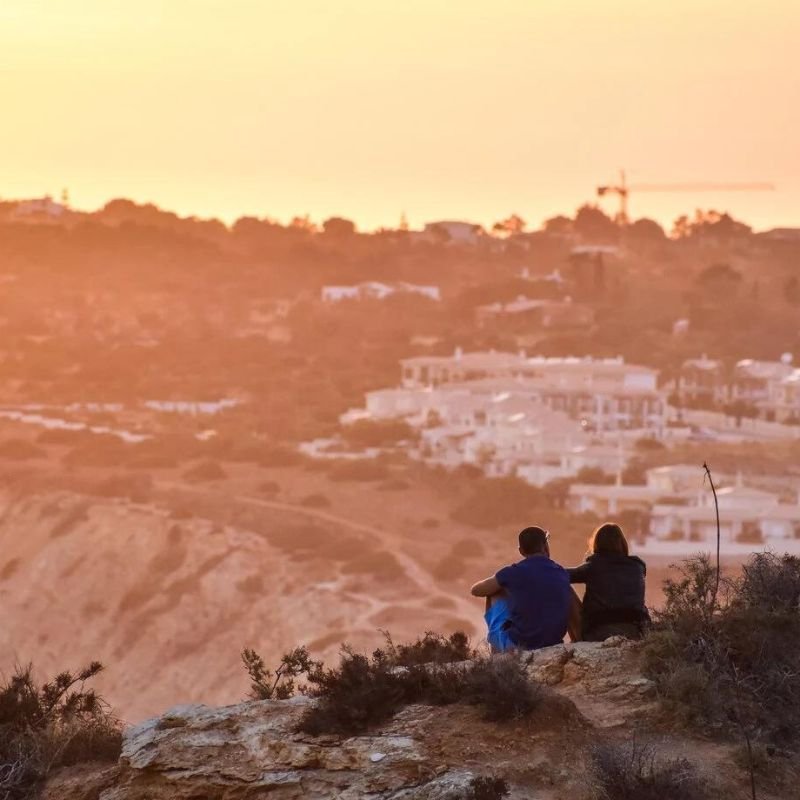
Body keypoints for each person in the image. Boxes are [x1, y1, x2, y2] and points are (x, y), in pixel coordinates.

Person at [470, 526, 572, 652]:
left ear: (521, 551)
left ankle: (497, 655)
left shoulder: (513, 572)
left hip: (521, 644)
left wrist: (503, 584)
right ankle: (578, 638)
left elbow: (476, 590)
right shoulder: (561, 572)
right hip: (553, 642)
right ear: (545, 546)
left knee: (494, 593)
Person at [567, 522, 650, 642]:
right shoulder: (638, 567)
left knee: (565, 588)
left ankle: (576, 642)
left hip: (598, 634)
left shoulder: (592, 567)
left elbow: (559, 576)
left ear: (597, 543)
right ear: (622, 543)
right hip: (636, 633)